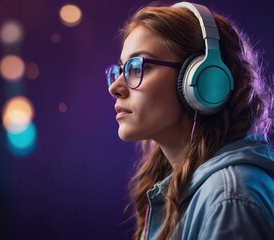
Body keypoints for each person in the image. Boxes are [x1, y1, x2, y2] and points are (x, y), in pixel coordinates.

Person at [106, 1, 274, 239]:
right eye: (121, 69)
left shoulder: (229, 199)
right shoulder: (196, 191)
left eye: (138, 67)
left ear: (203, 79)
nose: (115, 87)